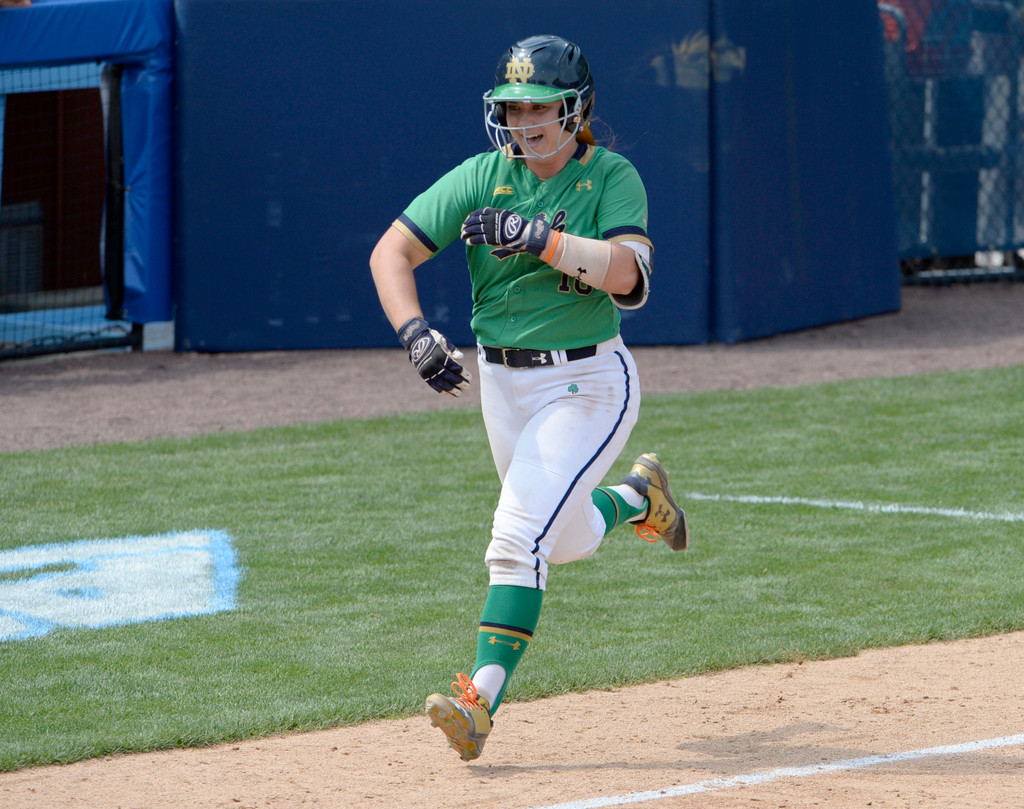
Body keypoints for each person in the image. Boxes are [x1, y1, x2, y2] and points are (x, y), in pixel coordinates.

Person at [369, 34, 689, 762]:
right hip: (503, 383)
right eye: (513, 107)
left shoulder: (611, 175)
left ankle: (478, 701)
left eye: (540, 106)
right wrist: (415, 333)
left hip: (588, 383)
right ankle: (639, 498)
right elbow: (392, 251)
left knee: (516, 539)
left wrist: (539, 238)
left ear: (577, 109)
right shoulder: (483, 175)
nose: (524, 120)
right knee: (564, 540)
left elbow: (630, 278)